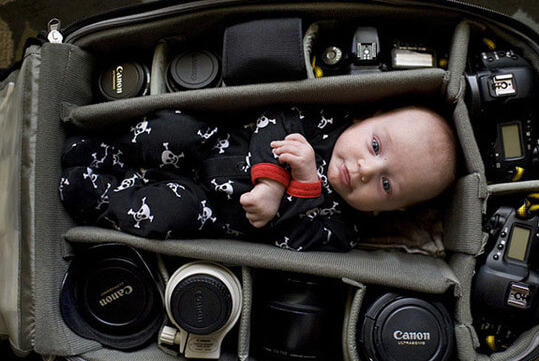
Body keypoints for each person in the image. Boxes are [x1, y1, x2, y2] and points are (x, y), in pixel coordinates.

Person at [60, 105, 456, 252]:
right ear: (367, 119)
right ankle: (106, 149)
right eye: (374, 146)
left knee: (162, 216)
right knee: (169, 129)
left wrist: (304, 185)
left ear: (394, 209)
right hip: (215, 145)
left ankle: (99, 195)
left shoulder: (344, 229)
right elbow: (275, 119)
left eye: (386, 185)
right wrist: (273, 182)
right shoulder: (325, 123)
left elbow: (283, 240)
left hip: (209, 210)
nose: (366, 170)